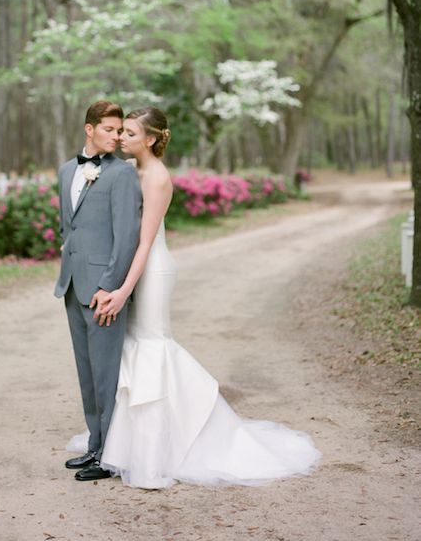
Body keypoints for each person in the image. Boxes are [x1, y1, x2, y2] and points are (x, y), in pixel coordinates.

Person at [74, 106, 321, 489]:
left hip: (150, 268)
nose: (121, 138)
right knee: (131, 348)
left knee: (152, 345)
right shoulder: (126, 172)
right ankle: (120, 444)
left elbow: (143, 243)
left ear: (152, 140)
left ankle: (162, 449)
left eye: (130, 134)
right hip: (130, 266)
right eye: (119, 132)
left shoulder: (155, 178)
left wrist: (122, 290)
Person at [54, 100, 142, 482]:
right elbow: (67, 227)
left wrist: (112, 286)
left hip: (104, 290)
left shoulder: (122, 174)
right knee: (87, 372)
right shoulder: (66, 170)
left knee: (106, 373)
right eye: (109, 129)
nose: (117, 135)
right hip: (72, 285)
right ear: (89, 129)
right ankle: (94, 445)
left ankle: (109, 455)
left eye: (120, 130)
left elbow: (126, 237)